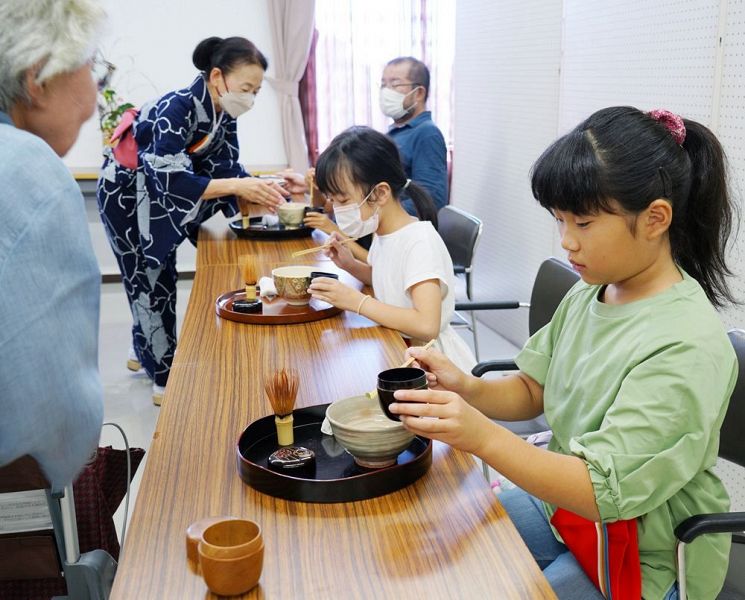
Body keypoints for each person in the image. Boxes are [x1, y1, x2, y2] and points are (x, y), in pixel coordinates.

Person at [390, 107, 737, 600]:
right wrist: (465, 387)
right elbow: (535, 388)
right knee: (440, 543)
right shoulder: (593, 289)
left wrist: (480, 436)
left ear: (656, 218)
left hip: (643, 552)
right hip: (567, 511)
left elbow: (604, 491)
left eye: (584, 222)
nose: (567, 241)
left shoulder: (684, 343)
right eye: (559, 220)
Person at [97, 36, 287, 404]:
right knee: (150, 280)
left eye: (256, 91)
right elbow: (170, 178)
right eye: (246, 87)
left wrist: (256, 196)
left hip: (155, 196)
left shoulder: (223, 113)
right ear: (217, 76)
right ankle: (163, 376)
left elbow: (228, 167)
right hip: (127, 195)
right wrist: (239, 187)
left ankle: (144, 350)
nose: (249, 97)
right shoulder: (177, 107)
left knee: (155, 277)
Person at [0, 0, 105, 490]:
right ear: (37, 79)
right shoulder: (26, 169)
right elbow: (61, 419)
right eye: (92, 66)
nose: (97, 94)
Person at [307, 126, 474, 372]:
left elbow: (427, 324)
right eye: (332, 200)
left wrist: (357, 302)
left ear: (381, 193)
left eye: (343, 200)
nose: (336, 209)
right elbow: (387, 278)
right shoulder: (384, 232)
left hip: (433, 367)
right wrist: (350, 265)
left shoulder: (419, 242)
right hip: (399, 349)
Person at [381, 56, 448, 215]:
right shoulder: (395, 132)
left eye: (395, 84)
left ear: (418, 93)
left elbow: (431, 199)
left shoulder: (427, 134)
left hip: (403, 232)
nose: (386, 91)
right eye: (383, 85)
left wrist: (379, 216)